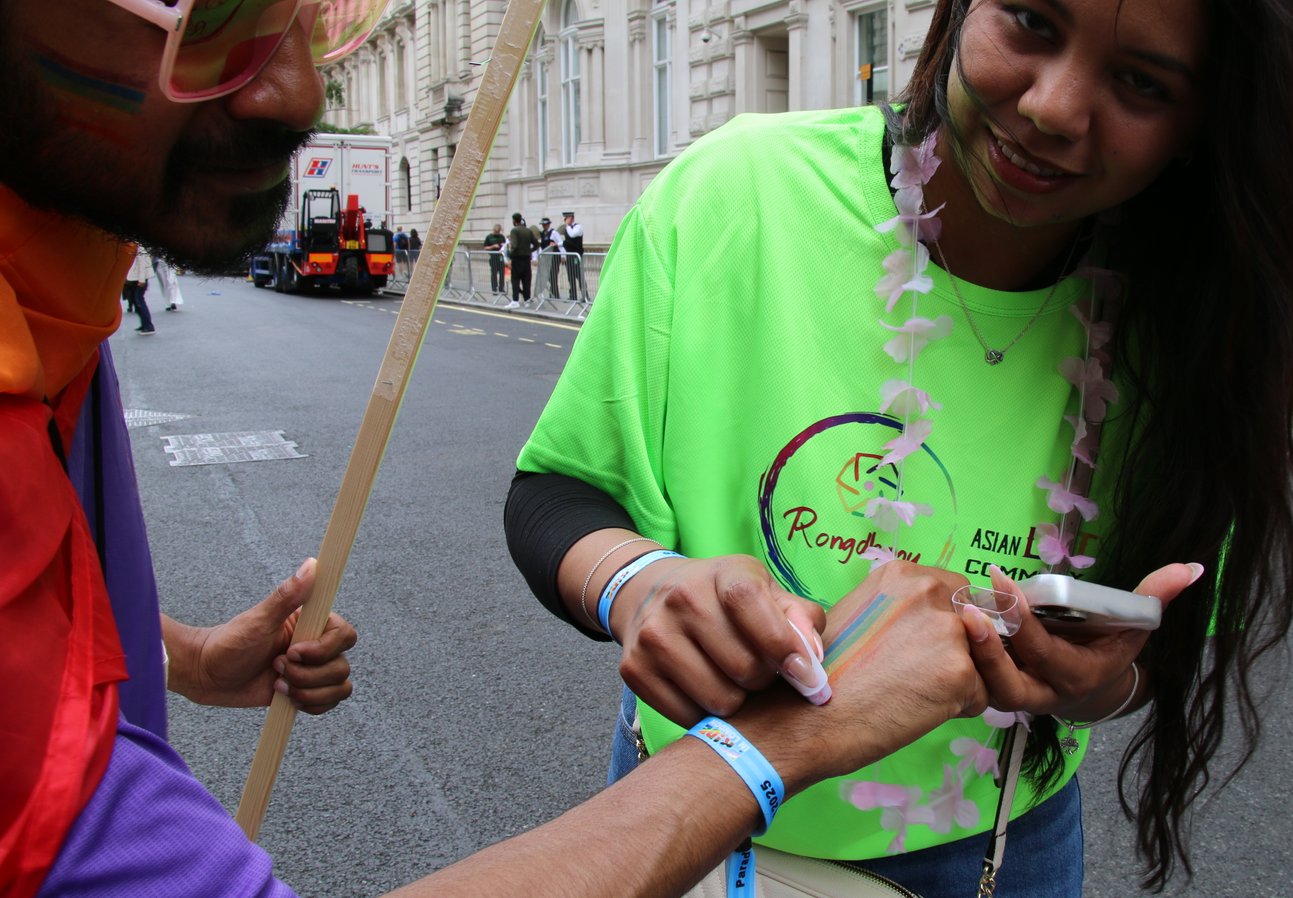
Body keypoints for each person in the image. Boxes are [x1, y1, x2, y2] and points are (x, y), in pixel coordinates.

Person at [0, 3, 993, 897]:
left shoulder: (57, 273)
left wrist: (182, 657)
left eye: (306, 15)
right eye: (198, 6)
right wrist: (785, 741)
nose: (295, 87)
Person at [504, 0, 1293, 893]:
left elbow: (1169, 638)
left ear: (1203, 123)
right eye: (1032, 22)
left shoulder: (1198, 317)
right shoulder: (736, 190)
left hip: (996, 852)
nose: (1053, 106)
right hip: (685, 816)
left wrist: (1093, 688)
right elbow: (557, 493)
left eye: (1140, 82)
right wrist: (643, 584)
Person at [504, 213, 537, 307]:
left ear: (514, 220)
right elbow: (536, 244)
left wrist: (510, 256)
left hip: (517, 259)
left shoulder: (514, 230)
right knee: (526, 280)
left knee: (515, 279)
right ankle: (527, 300)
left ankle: (515, 301)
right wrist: (529, 251)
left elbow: (514, 245)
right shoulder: (528, 231)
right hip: (526, 259)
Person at [121, 245, 156, 334]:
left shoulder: (139, 246)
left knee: (139, 300)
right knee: (135, 300)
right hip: (134, 277)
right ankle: (144, 324)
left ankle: (148, 326)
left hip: (139, 278)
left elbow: (142, 263)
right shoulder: (136, 244)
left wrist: (142, 279)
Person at [558, 210, 588, 303]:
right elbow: (567, 242)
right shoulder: (568, 228)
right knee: (571, 277)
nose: (565, 221)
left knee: (579, 276)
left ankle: (585, 296)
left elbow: (572, 235)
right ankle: (573, 295)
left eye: (567, 218)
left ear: (571, 218)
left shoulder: (577, 227)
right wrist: (557, 245)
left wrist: (567, 226)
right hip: (570, 256)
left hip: (576, 257)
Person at [536, 215, 562, 301]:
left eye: (546, 224)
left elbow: (561, 242)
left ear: (549, 224)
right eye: (543, 224)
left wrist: (562, 254)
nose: (544, 226)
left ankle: (555, 294)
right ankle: (553, 293)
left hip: (554, 257)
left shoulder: (553, 232)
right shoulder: (542, 233)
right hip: (546, 258)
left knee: (553, 275)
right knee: (549, 276)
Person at [483, 222, 507, 296]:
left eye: (498, 232)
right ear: (493, 230)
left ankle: (501, 288)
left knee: (502, 273)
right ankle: (494, 289)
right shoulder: (489, 237)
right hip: (493, 257)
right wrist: (492, 246)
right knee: (494, 274)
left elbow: (506, 245)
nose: (497, 233)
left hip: (500, 257)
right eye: (496, 231)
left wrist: (504, 245)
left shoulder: (502, 237)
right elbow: (485, 247)